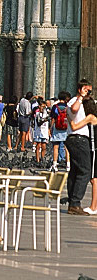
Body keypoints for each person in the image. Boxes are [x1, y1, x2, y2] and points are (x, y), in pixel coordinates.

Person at [65, 79, 93, 215]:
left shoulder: (83, 103)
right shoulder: (74, 101)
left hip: (75, 139)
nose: (88, 92)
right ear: (80, 89)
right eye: (86, 89)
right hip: (78, 139)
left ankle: (72, 202)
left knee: (75, 171)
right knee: (85, 170)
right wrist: (81, 96)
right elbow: (74, 109)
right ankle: (75, 203)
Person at [50, 90, 70, 169]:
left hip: (57, 129)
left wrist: (51, 128)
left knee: (56, 146)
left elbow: (53, 118)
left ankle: (54, 164)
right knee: (66, 147)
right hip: (66, 129)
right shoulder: (67, 107)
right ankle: (68, 164)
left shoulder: (55, 106)